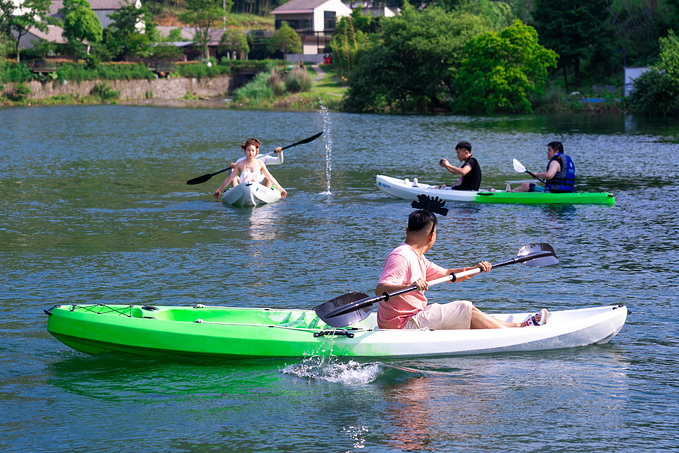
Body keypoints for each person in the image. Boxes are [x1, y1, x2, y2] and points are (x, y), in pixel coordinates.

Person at [375, 209, 548, 330]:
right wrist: (410, 285)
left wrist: (475, 269)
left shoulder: (417, 256)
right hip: (402, 324)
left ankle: (515, 326)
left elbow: (447, 274)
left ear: (407, 230)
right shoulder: (401, 256)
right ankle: (518, 329)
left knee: (470, 311)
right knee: (464, 307)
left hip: (413, 316)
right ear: (431, 236)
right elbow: (381, 289)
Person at [213, 138, 287, 200]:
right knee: (241, 177)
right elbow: (229, 178)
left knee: (267, 177)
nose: (250, 153)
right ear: (245, 151)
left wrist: (281, 189)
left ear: (256, 152)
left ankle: (266, 196)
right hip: (243, 187)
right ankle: (236, 195)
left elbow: (270, 178)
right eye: (248, 150)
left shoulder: (260, 163)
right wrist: (219, 190)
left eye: (252, 150)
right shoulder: (240, 163)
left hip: (258, 188)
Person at [509, 141, 575, 193]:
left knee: (526, 185)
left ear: (556, 151)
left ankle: (509, 194)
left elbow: (549, 175)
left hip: (554, 192)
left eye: (549, 150)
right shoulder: (565, 162)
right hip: (567, 191)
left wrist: (537, 174)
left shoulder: (555, 162)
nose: (547, 153)